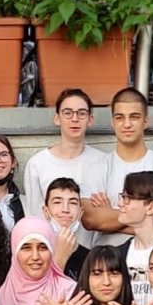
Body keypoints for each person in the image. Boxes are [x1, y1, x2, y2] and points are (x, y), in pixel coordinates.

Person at [81, 88, 153, 243]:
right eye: (120, 117)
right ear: (113, 122)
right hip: (107, 255)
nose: (127, 124)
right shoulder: (97, 169)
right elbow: (90, 219)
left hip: (152, 255)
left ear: (145, 122)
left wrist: (109, 215)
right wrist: (147, 219)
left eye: (134, 117)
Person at [22, 88, 103, 246]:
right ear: (57, 118)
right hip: (52, 253)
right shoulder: (37, 164)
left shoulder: (103, 162)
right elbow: (35, 218)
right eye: (67, 113)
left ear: (90, 119)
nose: (75, 119)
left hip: (93, 254)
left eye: (81, 113)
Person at [114, 171, 153, 305]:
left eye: (127, 198)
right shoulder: (119, 253)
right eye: (122, 197)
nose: (120, 203)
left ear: (151, 207)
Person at [43, 177, 88, 278]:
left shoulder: (90, 258)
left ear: (80, 212)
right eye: (57, 202)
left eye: (72, 203)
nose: (65, 209)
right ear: (45, 211)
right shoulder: (37, 254)